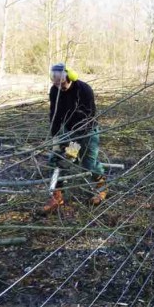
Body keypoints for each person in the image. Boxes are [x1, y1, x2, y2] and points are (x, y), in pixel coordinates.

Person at [42, 63, 107, 212]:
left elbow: (87, 117)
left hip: (86, 132)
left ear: (70, 77)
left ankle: (101, 187)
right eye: (55, 82)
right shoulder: (54, 91)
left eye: (62, 82)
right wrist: (56, 138)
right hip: (67, 131)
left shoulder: (83, 90)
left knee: (88, 164)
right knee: (58, 160)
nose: (59, 86)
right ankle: (57, 196)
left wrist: (73, 145)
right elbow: (55, 114)